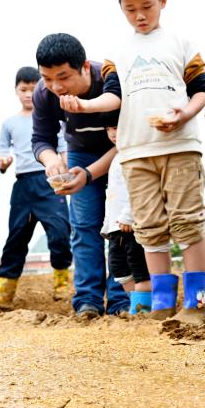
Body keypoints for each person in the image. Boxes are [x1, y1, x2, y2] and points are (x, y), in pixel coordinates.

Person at [63, 0, 205, 324]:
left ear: (162, 0)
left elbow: (202, 92)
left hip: (179, 147)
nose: (140, 16)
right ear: (121, 7)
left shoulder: (181, 44)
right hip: (135, 153)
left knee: (187, 225)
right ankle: (162, 305)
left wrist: (183, 115)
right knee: (148, 229)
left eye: (147, 7)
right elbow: (113, 97)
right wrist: (83, 104)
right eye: (131, 9)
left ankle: (196, 305)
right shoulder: (118, 53)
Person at [32, 33, 129, 319]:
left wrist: (89, 174)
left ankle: (122, 299)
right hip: (80, 154)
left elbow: (125, 142)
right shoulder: (44, 94)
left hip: (121, 154)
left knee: (121, 226)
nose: (55, 86)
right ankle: (87, 300)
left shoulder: (111, 81)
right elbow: (41, 139)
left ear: (85, 67)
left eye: (63, 77)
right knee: (84, 226)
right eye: (47, 78)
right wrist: (51, 161)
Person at [0, 66, 74, 312]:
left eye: (33, 90)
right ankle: (3, 294)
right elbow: (1, 151)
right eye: (23, 90)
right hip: (23, 184)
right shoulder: (10, 123)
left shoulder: (50, 117)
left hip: (49, 182)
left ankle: (62, 286)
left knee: (60, 232)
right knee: (16, 238)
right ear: (16, 91)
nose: (28, 95)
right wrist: (3, 162)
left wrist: (66, 172)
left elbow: (64, 145)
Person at [102, 125, 151, 314]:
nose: (113, 133)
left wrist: (129, 216)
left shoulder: (134, 155)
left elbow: (139, 187)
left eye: (117, 127)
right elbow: (113, 194)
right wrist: (108, 223)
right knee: (118, 267)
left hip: (132, 225)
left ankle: (143, 310)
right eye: (108, 129)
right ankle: (139, 304)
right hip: (115, 226)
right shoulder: (116, 156)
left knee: (139, 268)